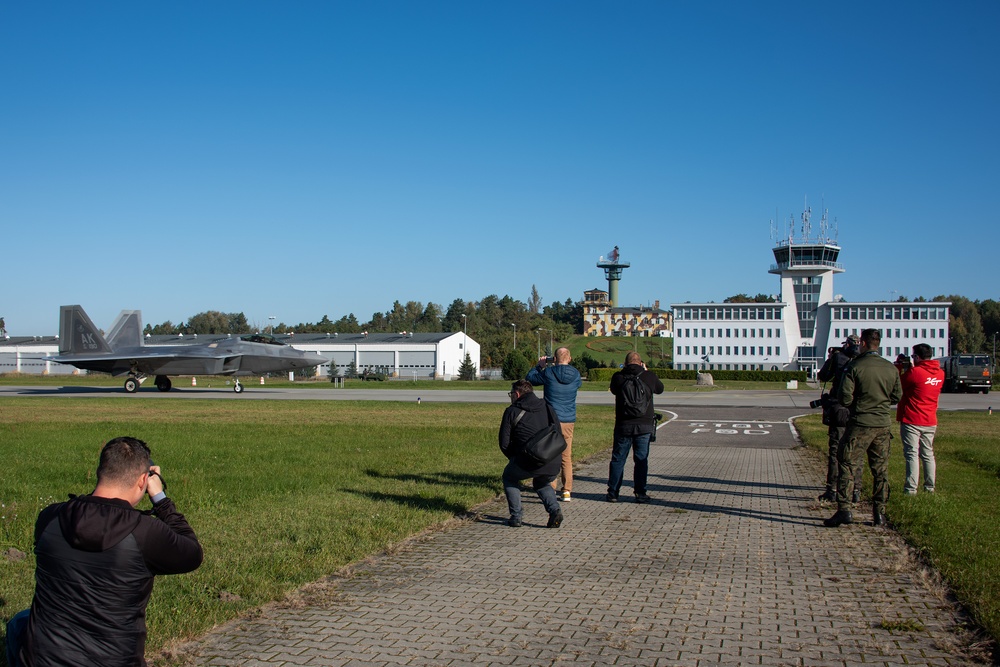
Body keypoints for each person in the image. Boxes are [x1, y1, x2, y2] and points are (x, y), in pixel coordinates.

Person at [13, 436, 203, 667]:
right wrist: (160, 500)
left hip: (42, 659)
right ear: (144, 479)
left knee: (19, 622)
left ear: (100, 472)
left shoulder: (50, 517)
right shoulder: (144, 532)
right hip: (115, 659)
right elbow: (192, 554)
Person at [825, 329, 902, 528]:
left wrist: (858, 404)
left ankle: (844, 510)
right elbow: (896, 396)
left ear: (864, 344)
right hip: (882, 425)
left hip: (860, 423)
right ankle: (879, 513)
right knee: (880, 470)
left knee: (847, 464)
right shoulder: (891, 368)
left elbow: (845, 398)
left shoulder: (855, 366)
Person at [498, 380, 564, 528]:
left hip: (528, 459)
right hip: (552, 459)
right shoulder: (548, 407)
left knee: (509, 477)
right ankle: (555, 511)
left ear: (516, 394)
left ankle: (516, 516)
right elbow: (558, 433)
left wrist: (514, 458)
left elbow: (504, 443)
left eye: (511, 394)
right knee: (542, 482)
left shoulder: (512, 411)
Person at [526, 347, 583, 502]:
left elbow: (530, 378)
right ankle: (567, 491)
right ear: (569, 359)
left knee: (550, 454)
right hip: (568, 419)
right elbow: (578, 385)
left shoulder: (549, 373)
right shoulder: (576, 375)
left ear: (555, 359)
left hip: (551, 419)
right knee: (566, 456)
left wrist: (540, 365)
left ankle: (550, 488)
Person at [607, 351, 664, 503]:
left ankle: (613, 493)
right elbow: (660, 389)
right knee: (641, 460)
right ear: (640, 363)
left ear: (625, 363)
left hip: (623, 425)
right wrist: (645, 371)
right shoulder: (649, 376)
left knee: (618, 459)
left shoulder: (618, 377)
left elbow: (613, 390)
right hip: (644, 425)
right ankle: (640, 492)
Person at [816, 335, 862, 503]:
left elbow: (824, 376)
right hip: (858, 411)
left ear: (847, 344)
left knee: (836, 451)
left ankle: (832, 489)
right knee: (857, 452)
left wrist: (832, 358)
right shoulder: (864, 360)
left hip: (840, 409)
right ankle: (856, 489)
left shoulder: (838, 357)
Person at [897, 343, 944, 494]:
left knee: (912, 454)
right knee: (928, 454)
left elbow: (899, 385)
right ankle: (930, 487)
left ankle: (911, 488)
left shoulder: (916, 372)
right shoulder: (940, 373)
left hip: (912, 418)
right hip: (930, 419)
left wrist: (900, 367)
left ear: (917, 357)